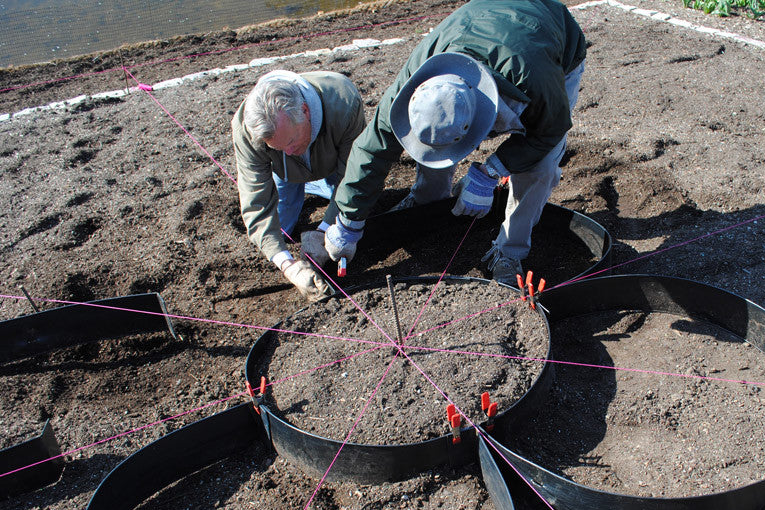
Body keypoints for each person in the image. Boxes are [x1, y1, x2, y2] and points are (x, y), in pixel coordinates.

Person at [321, 0, 587, 286]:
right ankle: (428, 198)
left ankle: (508, 251)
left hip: (549, 43)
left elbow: (549, 132)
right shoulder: (414, 82)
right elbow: (370, 150)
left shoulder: (534, 81)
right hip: (481, 25)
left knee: (541, 166)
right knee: (435, 140)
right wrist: (348, 223)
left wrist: (490, 173)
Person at [232, 69, 366, 301]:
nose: (289, 152)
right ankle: (301, 185)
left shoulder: (343, 103)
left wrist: (324, 229)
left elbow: (353, 178)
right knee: (280, 226)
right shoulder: (248, 130)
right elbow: (256, 204)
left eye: (291, 141)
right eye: (278, 148)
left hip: (333, 163)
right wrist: (286, 264)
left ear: (305, 111)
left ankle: (321, 188)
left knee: (344, 201)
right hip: (285, 174)